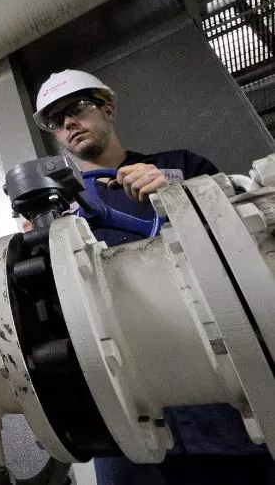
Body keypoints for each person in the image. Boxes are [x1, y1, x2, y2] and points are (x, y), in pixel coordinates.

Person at [32, 70, 275, 485]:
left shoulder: (180, 167)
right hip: (127, 414)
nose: (68, 124)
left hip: (224, 411)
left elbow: (245, 245)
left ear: (107, 109)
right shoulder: (58, 216)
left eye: (76, 109)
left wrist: (177, 195)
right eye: (57, 121)